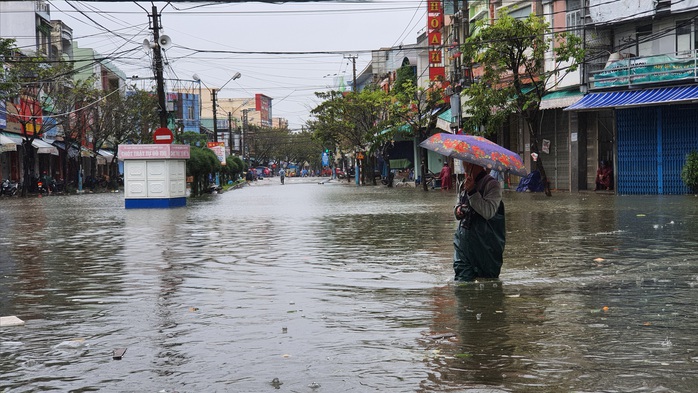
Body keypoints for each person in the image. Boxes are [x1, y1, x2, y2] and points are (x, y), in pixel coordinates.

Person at [452, 162, 506, 282]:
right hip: (464, 241)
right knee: (462, 280)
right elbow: (457, 205)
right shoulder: (464, 183)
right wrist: (458, 210)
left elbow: (488, 212)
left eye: (465, 161)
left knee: (487, 282)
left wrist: (472, 192)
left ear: (474, 163)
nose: (462, 163)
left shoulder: (492, 185)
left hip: (485, 244)